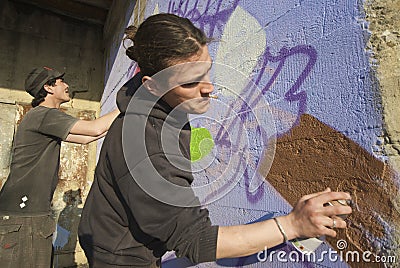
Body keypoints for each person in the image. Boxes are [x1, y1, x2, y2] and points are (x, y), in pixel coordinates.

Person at [78, 13, 352, 268]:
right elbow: (196, 241)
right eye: (190, 82)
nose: (208, 87)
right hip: (119, 255)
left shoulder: (160, 101)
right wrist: (293, 225)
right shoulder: (143, 145)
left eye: (207, 71)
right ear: (152, 84)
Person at [0, 66, 119, 267]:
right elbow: (95, 127)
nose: (67, 85)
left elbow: (88, 137)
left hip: (28, 216)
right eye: (60, 81)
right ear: (48, 87)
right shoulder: (44, 115)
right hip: (25, 218)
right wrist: (131, 100)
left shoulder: (41, 117)